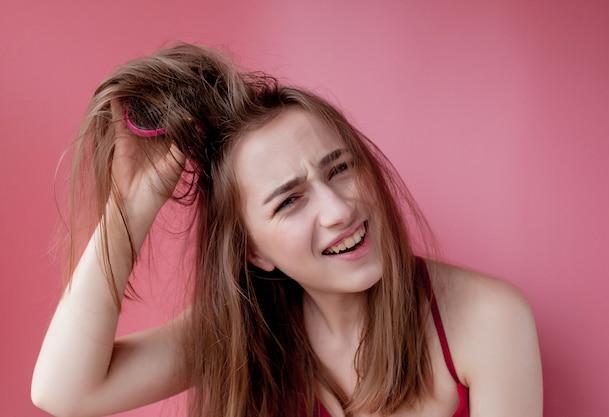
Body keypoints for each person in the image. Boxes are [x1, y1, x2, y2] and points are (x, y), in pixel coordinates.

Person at [31, 43, 543, 417]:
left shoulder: (487, 319)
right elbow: (64, 392)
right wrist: (137, 200)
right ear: (254, 251)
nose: (338, 209)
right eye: (290, 200)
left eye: (340, 168)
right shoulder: (243, 334)